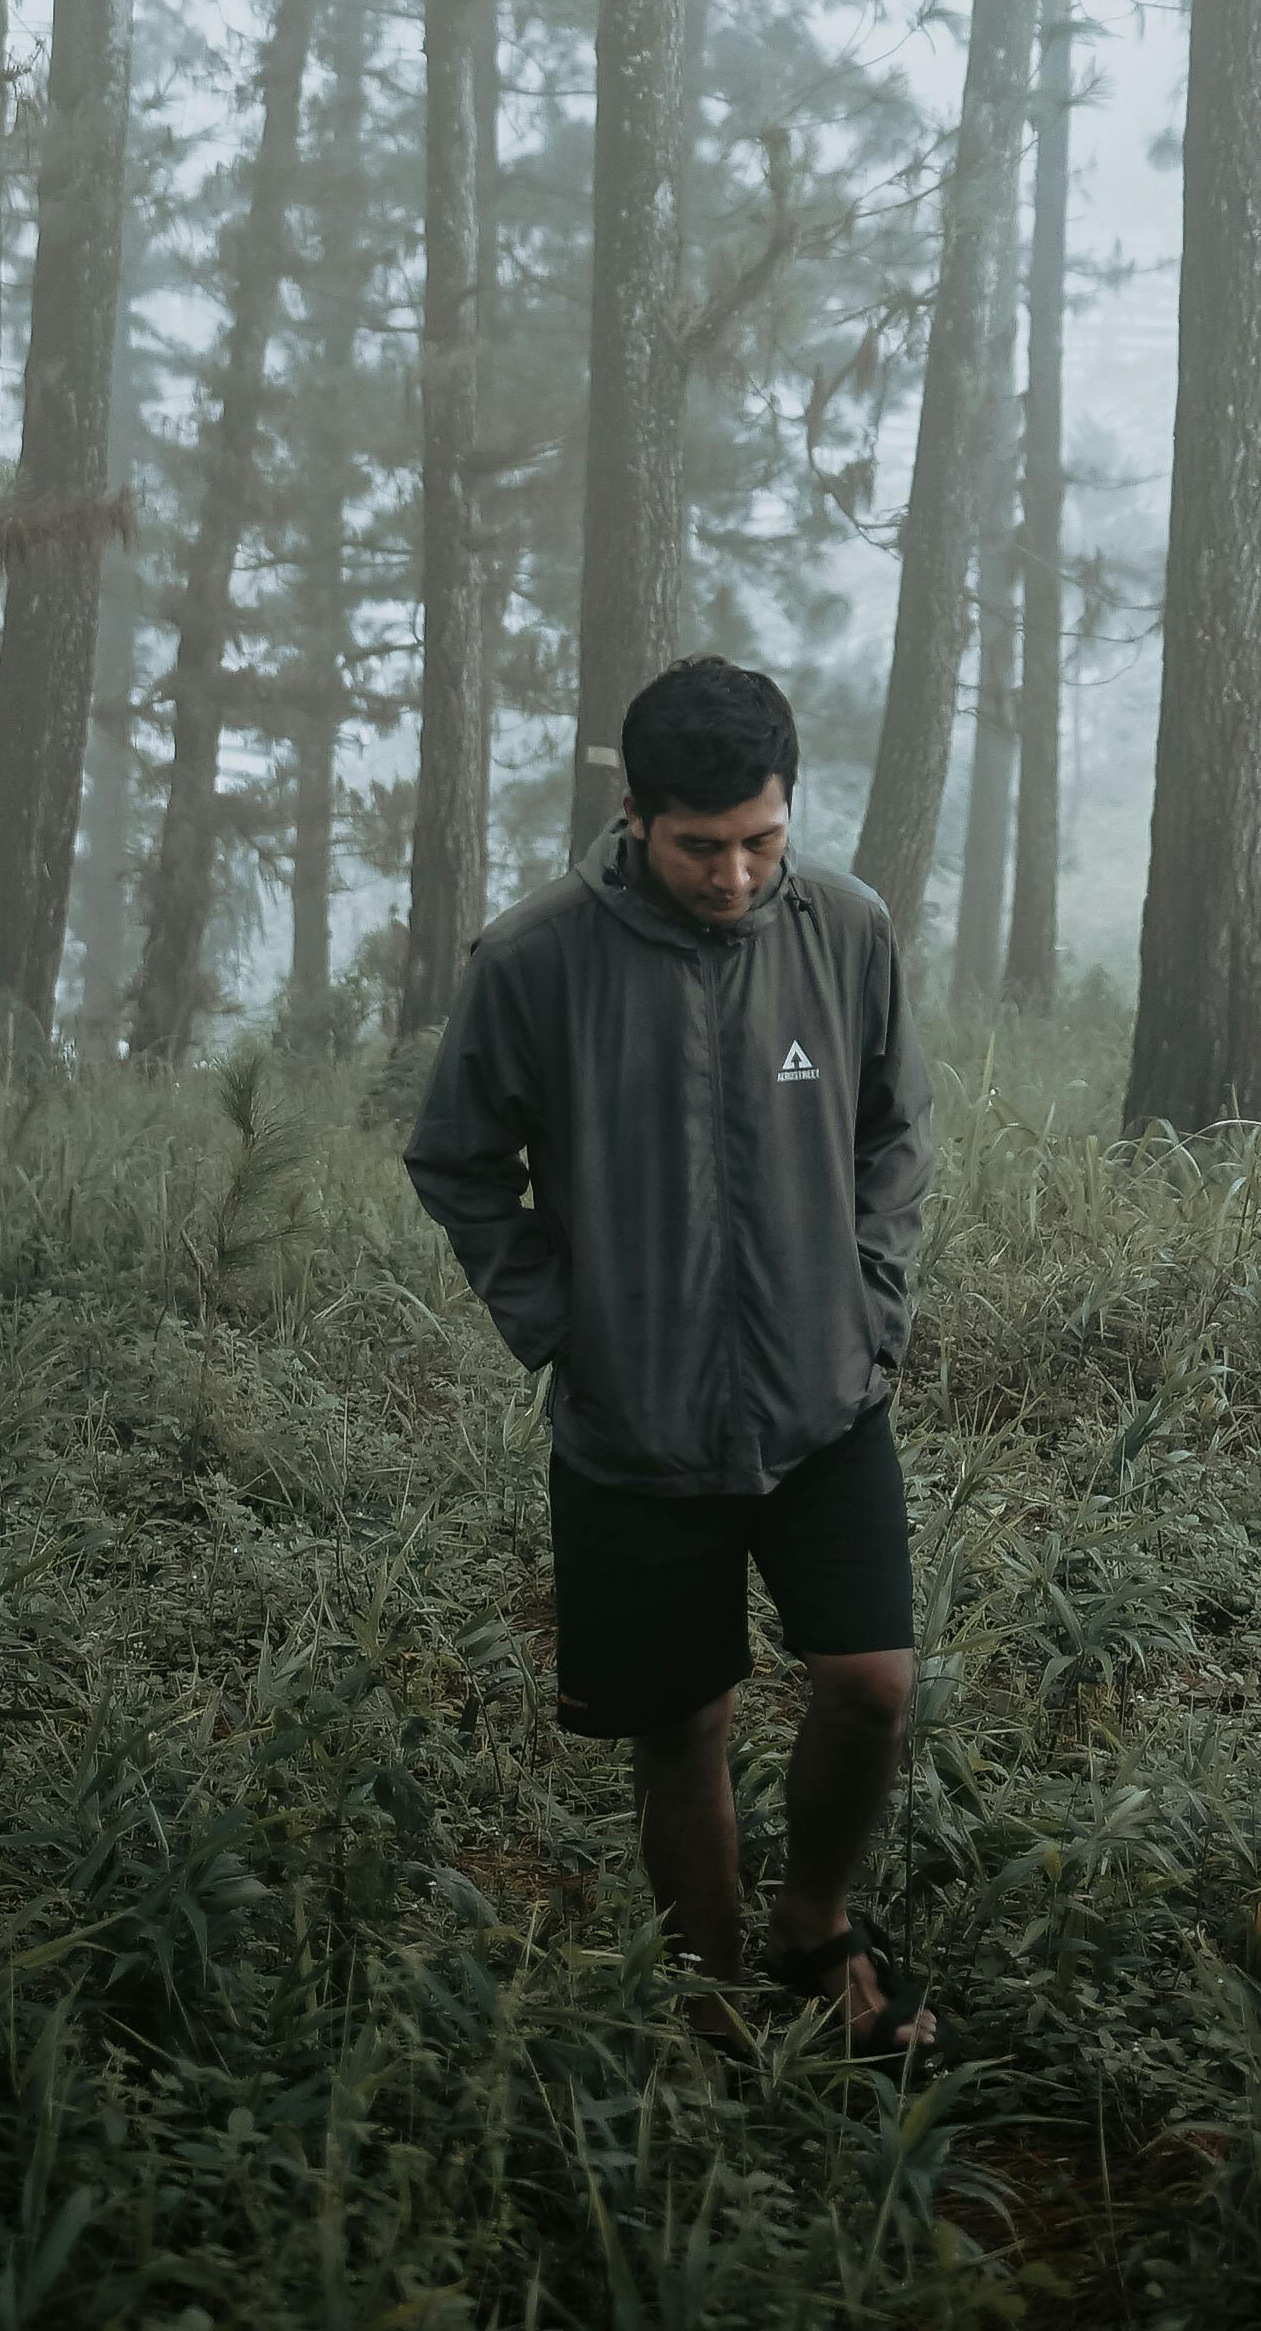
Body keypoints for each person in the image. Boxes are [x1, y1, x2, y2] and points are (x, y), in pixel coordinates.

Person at [406, 651, 934, 2050]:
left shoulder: (848, 929)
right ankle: (716, 2009)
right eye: (703, 847)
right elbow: (457, 1161)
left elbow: (894, 1132)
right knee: (680, 1730)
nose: (738, 877)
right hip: (634, 1426)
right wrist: (560, 1322)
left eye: (763, 840)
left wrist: (873, 1297)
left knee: (872, 1684)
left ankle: (814, 1932)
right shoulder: (536, 960)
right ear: (636, 815)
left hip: (825, 1401)